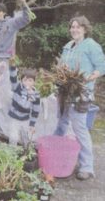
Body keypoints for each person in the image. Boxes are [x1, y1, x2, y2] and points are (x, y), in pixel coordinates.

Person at [54, 16, 105, 180]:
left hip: (81, 93)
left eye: (78, 27)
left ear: (85, 29)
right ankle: (55, 154)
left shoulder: (91, 45)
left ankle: (87, 167)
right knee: (61, 123)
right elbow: (61, 67)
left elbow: (102, 66)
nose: (74, 29)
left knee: (79, 128)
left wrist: (89, 77)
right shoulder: (68, 46)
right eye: (72, 27)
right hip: (65, 92)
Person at [7, 57, 40, 147]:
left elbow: (35, 110)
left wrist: (32, 124)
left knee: (26, 137)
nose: (27, 83)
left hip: (25, 119)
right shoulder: (17, 87)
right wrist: (13, 66)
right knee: (13, 137)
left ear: (34, 82)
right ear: (21, 80)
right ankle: (11, 152)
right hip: (14, 117)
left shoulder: (35, 94)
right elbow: (13, 78)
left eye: (30, 80)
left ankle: (26, 151)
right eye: (25, 80)